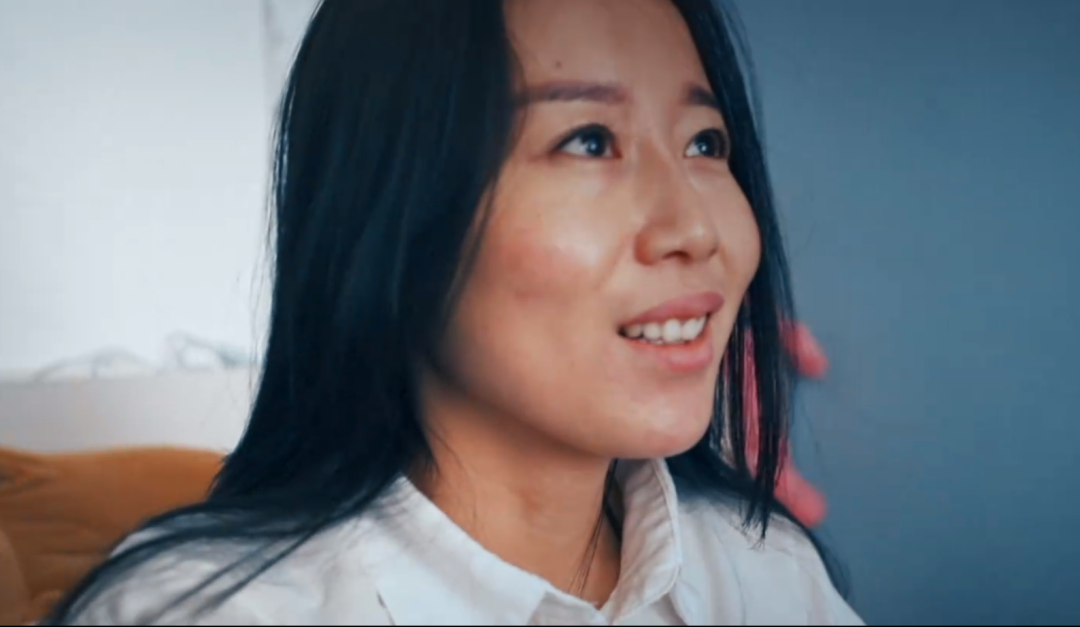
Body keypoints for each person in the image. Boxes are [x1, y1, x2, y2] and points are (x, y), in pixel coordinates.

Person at [47, 0, 862, 624]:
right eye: (588, 140)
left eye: (705, 143)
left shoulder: (767, 574)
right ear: (389, 216)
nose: (694, 228)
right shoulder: (209, 612)